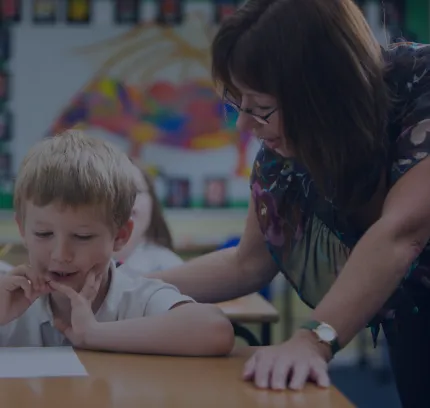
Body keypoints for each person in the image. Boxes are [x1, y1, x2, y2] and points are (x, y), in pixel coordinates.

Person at [147, 0, 430, 405]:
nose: (245, 125)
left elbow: (401, 234)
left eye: (261, 109)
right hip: (415, 320)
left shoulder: (421, 85)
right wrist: (124, 288)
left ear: (322, 92)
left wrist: (313, 340)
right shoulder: (287, 154)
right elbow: (246, 263)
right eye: (239, 105)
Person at [0, 130, 234, 357]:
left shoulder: (135, 298)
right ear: (22, 230)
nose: (60, 255)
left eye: (82, 237)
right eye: (43, 234)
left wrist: (93, 334)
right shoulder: (9, 299)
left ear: (120, 236)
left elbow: (215, 330)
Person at [114, 160, 183, 276]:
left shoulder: (168, 265)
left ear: (152, 201)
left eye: (135, 191)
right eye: (115, 191)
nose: (125, 200)